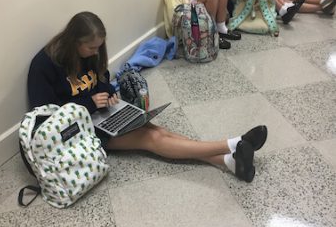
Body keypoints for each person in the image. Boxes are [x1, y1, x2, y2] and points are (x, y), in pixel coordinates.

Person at [28, 11, 269, 183]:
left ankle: (229, 161)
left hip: (100, 115)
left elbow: (100, 80)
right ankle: (232, 143)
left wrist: (108, 92)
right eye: (91, 48)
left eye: (98, 47)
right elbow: (45, 116)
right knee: (151, 139)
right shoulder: (44, 65)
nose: (95, 53)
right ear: (74, 42)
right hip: (78, 131)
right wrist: (88, 103)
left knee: (158, 130)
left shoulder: (88, 53)